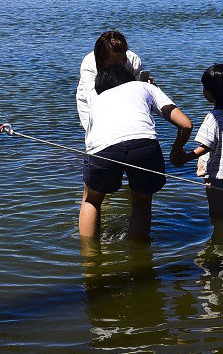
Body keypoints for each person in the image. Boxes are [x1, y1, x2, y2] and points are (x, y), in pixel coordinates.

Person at [80, 63, 192, 241]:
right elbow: (186, 124)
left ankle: (90, 261)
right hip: (144, 146)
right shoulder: (144, 86)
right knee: (141, 202)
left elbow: (91, 139)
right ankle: (138, 260)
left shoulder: (95, 99)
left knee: (92, 200)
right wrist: (176, 150)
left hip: (102, 148)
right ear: (128, 78)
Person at [170, 64, 223, 220]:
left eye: (204, 88)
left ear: (212, 92)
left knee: (215, 213)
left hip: (215, 173)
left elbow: (206, 146)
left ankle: (219, 240)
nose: (203, 91)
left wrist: (185, 158)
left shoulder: (213, 117)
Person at [76, 30, 149, 131]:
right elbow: (93, 100)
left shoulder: (133, 60)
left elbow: (141, 97)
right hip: (90, 105)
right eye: (115, 61)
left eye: (123, 59)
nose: (121, 64)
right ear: (102, 61)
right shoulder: (89, 64)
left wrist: (148, 88)